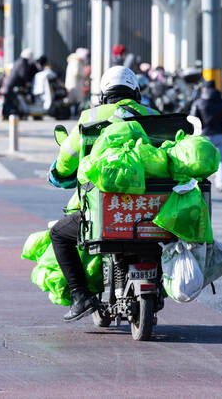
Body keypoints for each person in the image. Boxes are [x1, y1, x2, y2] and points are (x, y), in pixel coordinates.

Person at [48, 66, 160, 322]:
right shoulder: (154, 115)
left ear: (103, 95)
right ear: (136, 92)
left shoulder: (91, 117)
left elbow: (68, 157)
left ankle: (81, 296)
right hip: (153, 209)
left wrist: (58, 173)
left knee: (58, 235)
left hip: (104, 211)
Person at [189, 80, 222, 192]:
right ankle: (221, 184)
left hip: (204, 137)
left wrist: (195, 136)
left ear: (204, 89)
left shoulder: (198, 103)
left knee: (201, 161)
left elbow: (193, 120)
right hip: (220, 135)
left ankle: (200, 184)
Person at [1, 48, 36, 119]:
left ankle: (5, 116)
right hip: (12, 87)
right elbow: (23, 75)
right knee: (10, 103)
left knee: (8, 102)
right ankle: (7, 115)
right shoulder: (23, 63)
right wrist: (27, 83)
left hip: (8, 86)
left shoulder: (19, 61)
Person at [64, 48, 88, 117]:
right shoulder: (76, 61)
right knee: (75, 100)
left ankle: (73, 114)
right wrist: (84, 76)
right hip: (75, 84)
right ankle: (74, 114)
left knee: (72, 100)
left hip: (73, 83)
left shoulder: (73, 60)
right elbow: (76, 72)